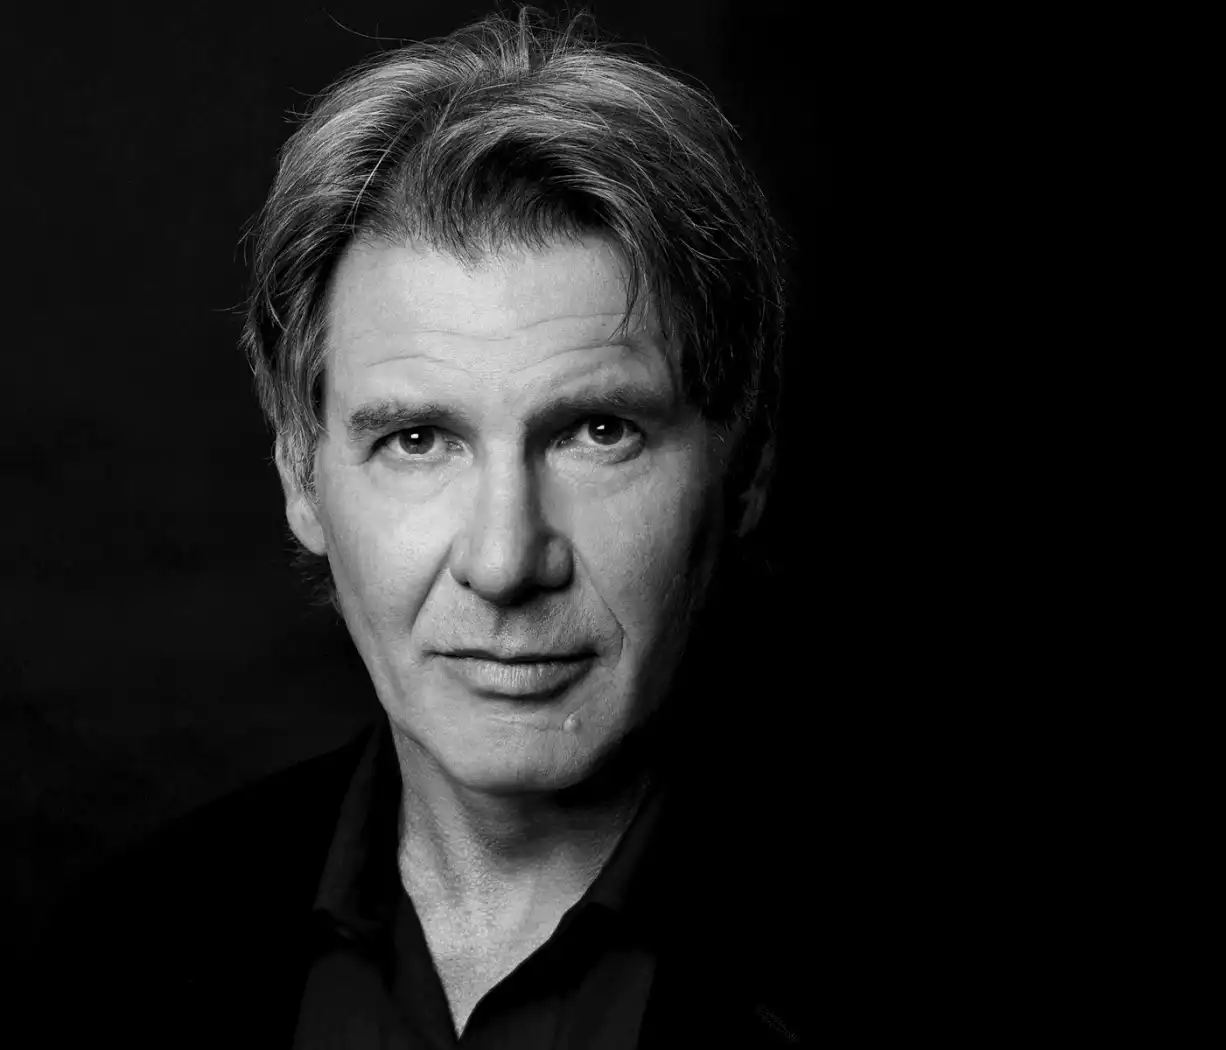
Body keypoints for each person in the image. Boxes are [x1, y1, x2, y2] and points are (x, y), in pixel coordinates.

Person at [27, 8, 818, 1047]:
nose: (504, 561)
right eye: (418, 440)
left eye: (597, 431)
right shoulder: (109, 961)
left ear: (744, 469)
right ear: (301, 479)